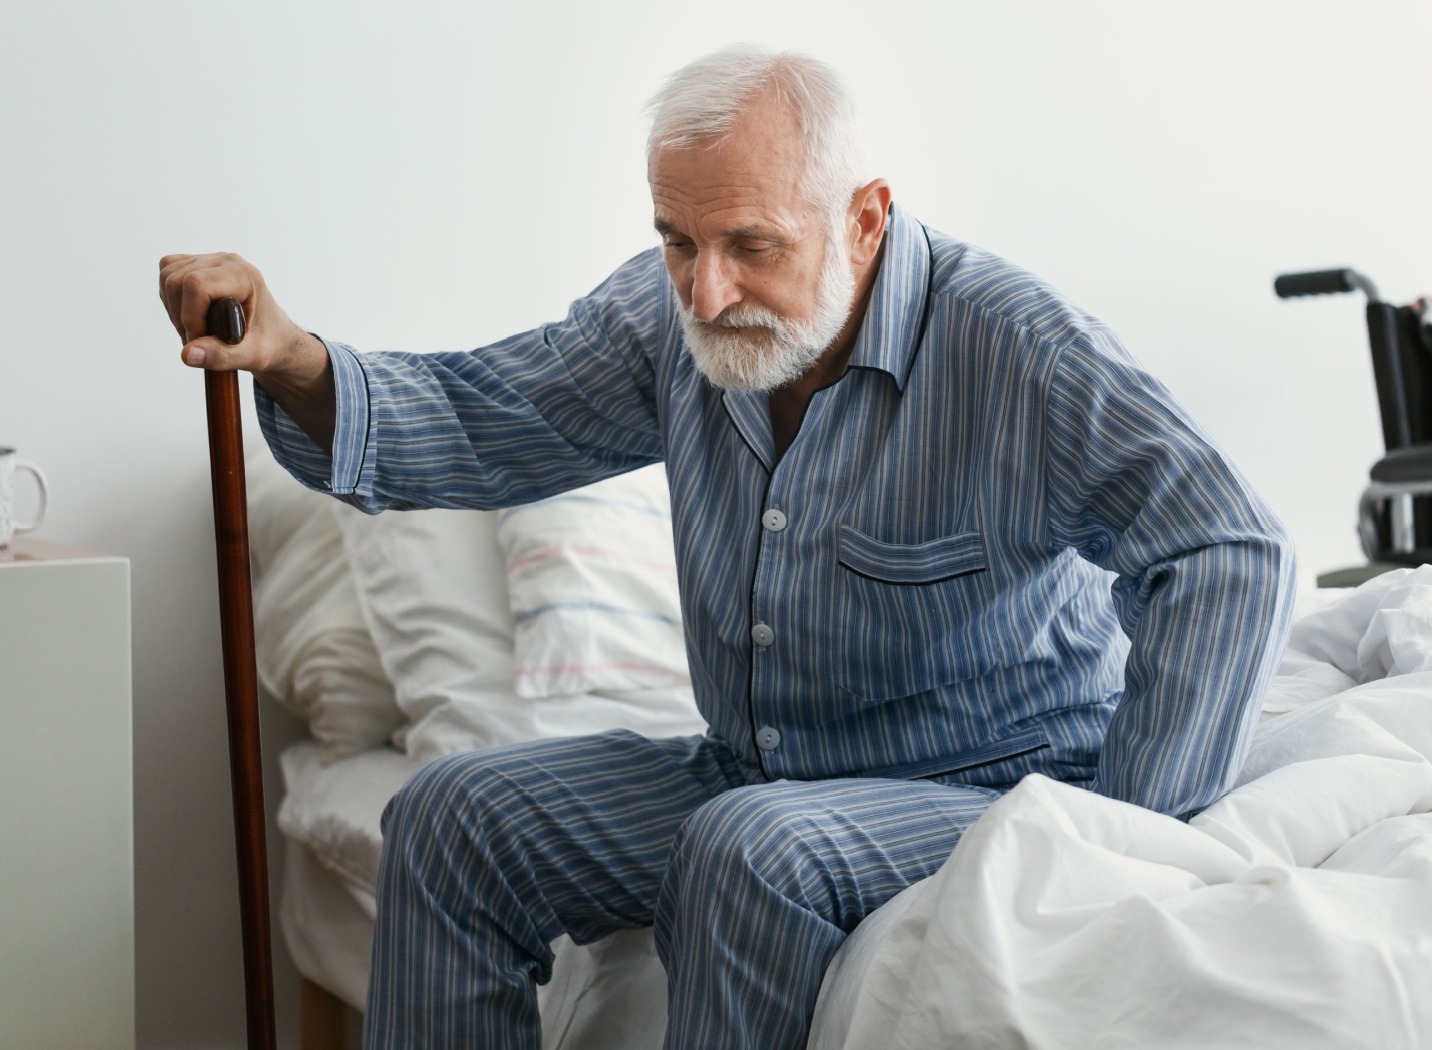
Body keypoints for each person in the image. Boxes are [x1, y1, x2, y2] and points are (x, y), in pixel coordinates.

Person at [159, 45, 1294, 1050]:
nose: (706, 289)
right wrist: (290, 356)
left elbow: (1227, 548)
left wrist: (1128, 839)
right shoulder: (673, 317)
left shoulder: (1018, 348)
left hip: (983, 787)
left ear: (864, 216)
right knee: (452, 815)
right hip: (760, 766)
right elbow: (481, 417)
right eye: (675, 241)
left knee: (749, 848)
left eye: (749, 245)